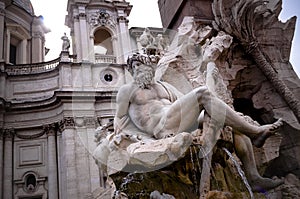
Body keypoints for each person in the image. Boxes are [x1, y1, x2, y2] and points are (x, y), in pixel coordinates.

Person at [114, 53, 284, 190]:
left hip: (177, 119)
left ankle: (253, 176)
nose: (136, 69)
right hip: (162, 128)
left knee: (227, 119)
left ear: (149, 67)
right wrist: (122, 137)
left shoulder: (164, 86)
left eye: (139, 64)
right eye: (133, 67)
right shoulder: (128, 90)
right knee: (202, 93)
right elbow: (120, 117)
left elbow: (185, 103)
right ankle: (255, 133)